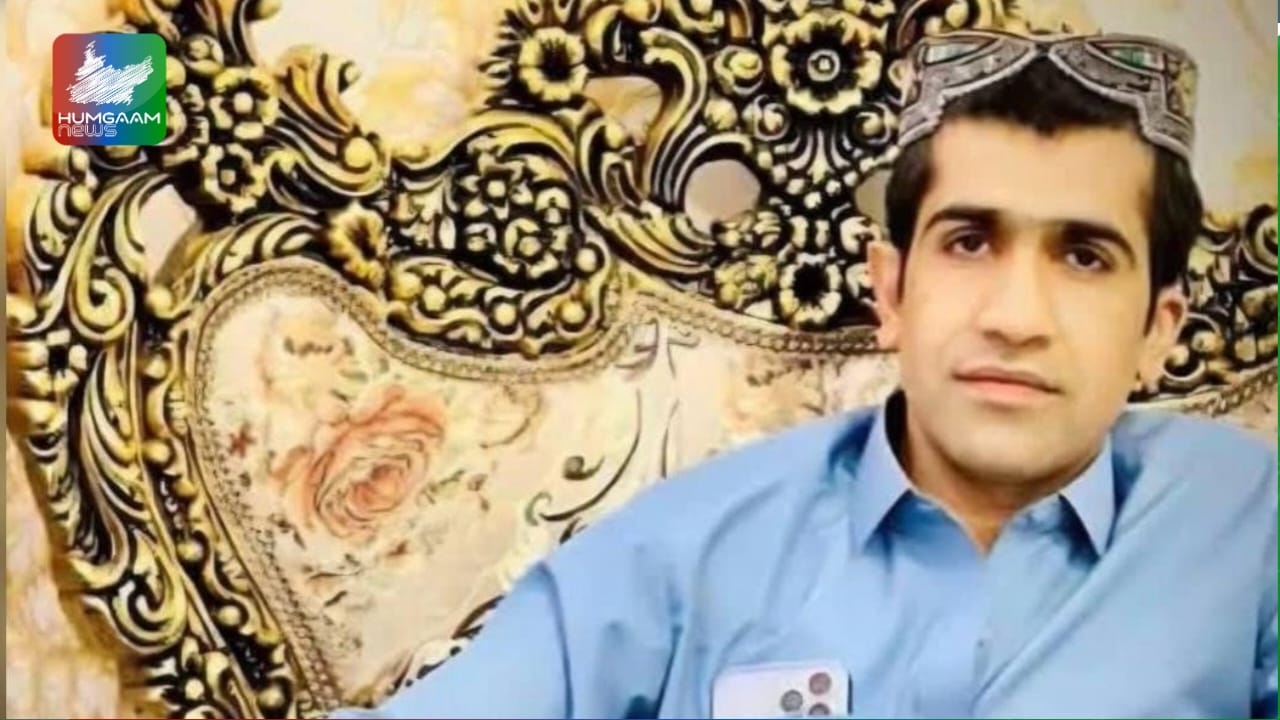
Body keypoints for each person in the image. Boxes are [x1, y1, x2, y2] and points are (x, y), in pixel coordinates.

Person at [333, 29, 1277, 719]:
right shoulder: (686, 548)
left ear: (1158, 329)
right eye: (968, 241)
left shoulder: (1245, 523)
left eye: (1084, 256)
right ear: (892, 291)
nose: (1016, 317)